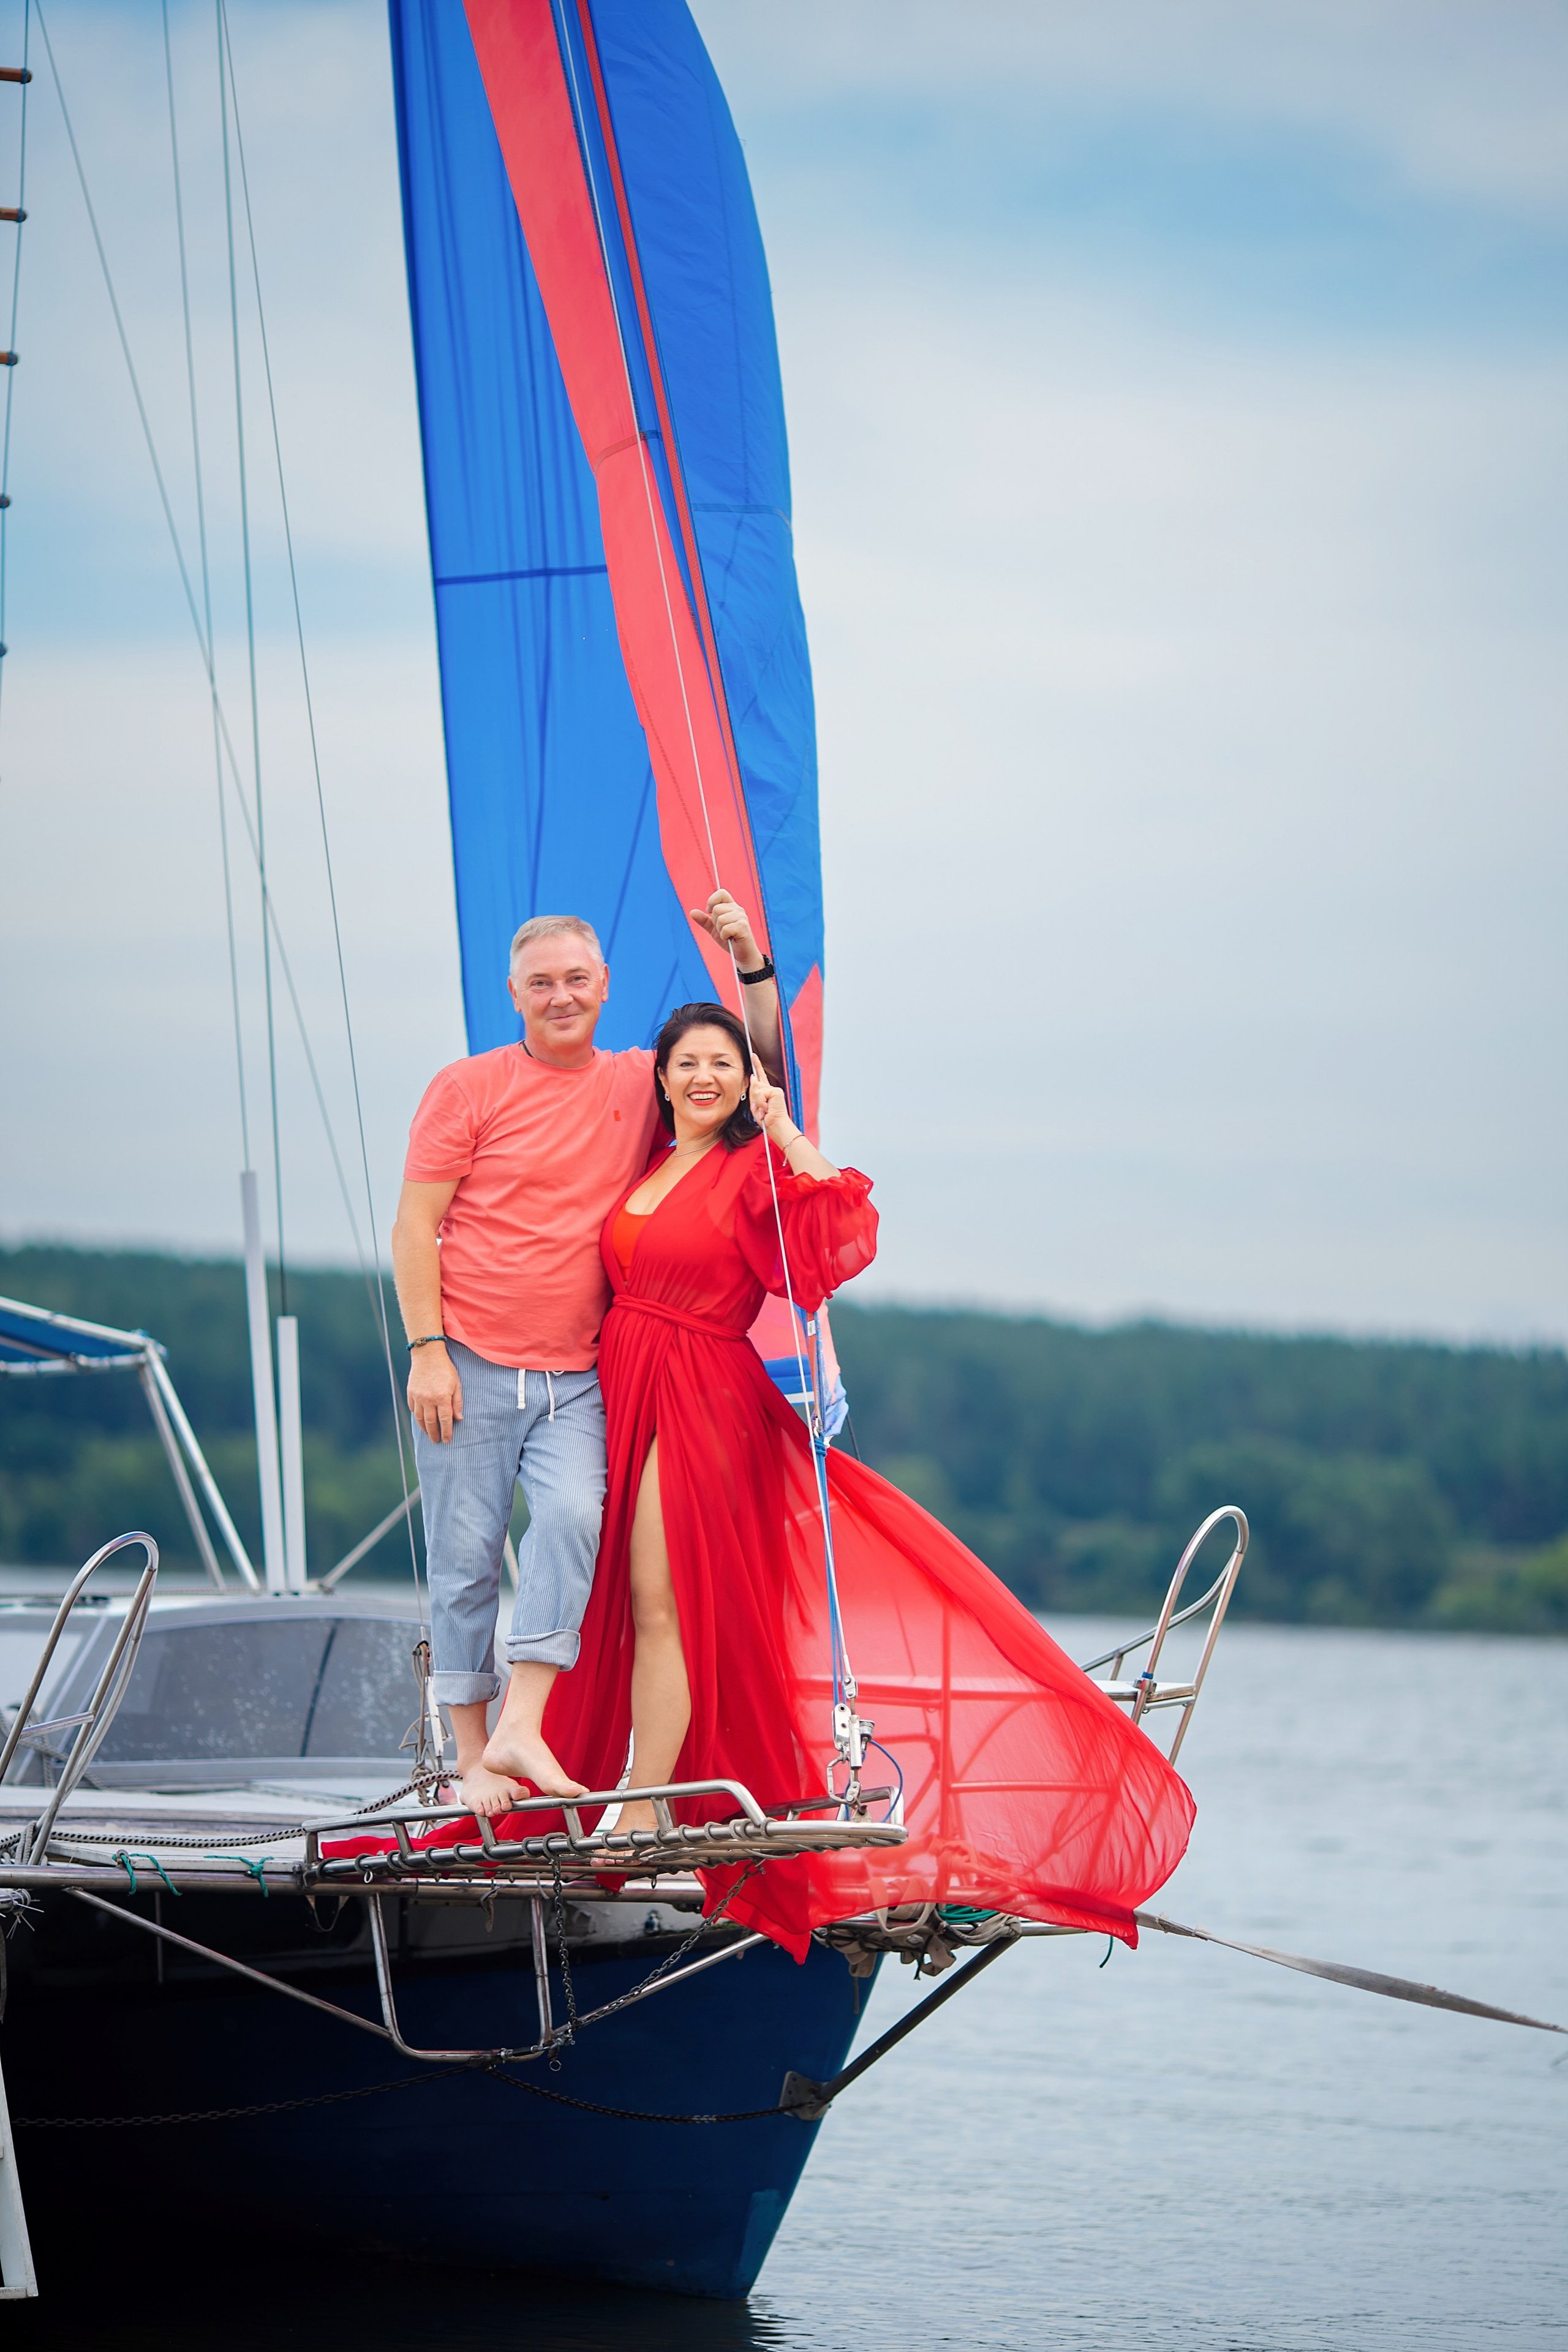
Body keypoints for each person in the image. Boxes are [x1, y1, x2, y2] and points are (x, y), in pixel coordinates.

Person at [390, 894, 784, 1819]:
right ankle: (476, 1760)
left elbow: (747, 1065)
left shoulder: (635, 1083)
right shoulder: (466, 1086)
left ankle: (525, 1722)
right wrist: (427, 1351)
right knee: (464, 1562)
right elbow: (416, 1227)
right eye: (541, 984)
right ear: (514, 994)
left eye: (577, 980)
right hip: (470, 1362)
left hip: (577, 1374)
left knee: (571, 1520)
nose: (560, 996)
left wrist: (748, 959)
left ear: (604, 987)